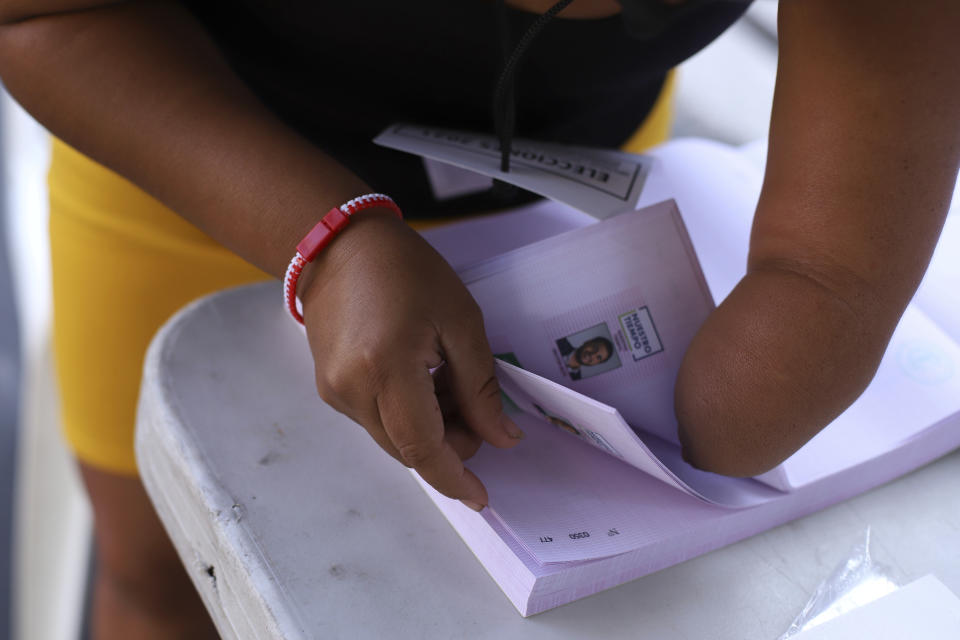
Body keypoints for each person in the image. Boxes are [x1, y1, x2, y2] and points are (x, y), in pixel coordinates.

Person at [0, 1, 957, 638]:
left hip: (572, 164)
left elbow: (829, 258)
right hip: (194, 140)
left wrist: (801, 317)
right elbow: (47, 15)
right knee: (167, 565)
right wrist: (326, 242)